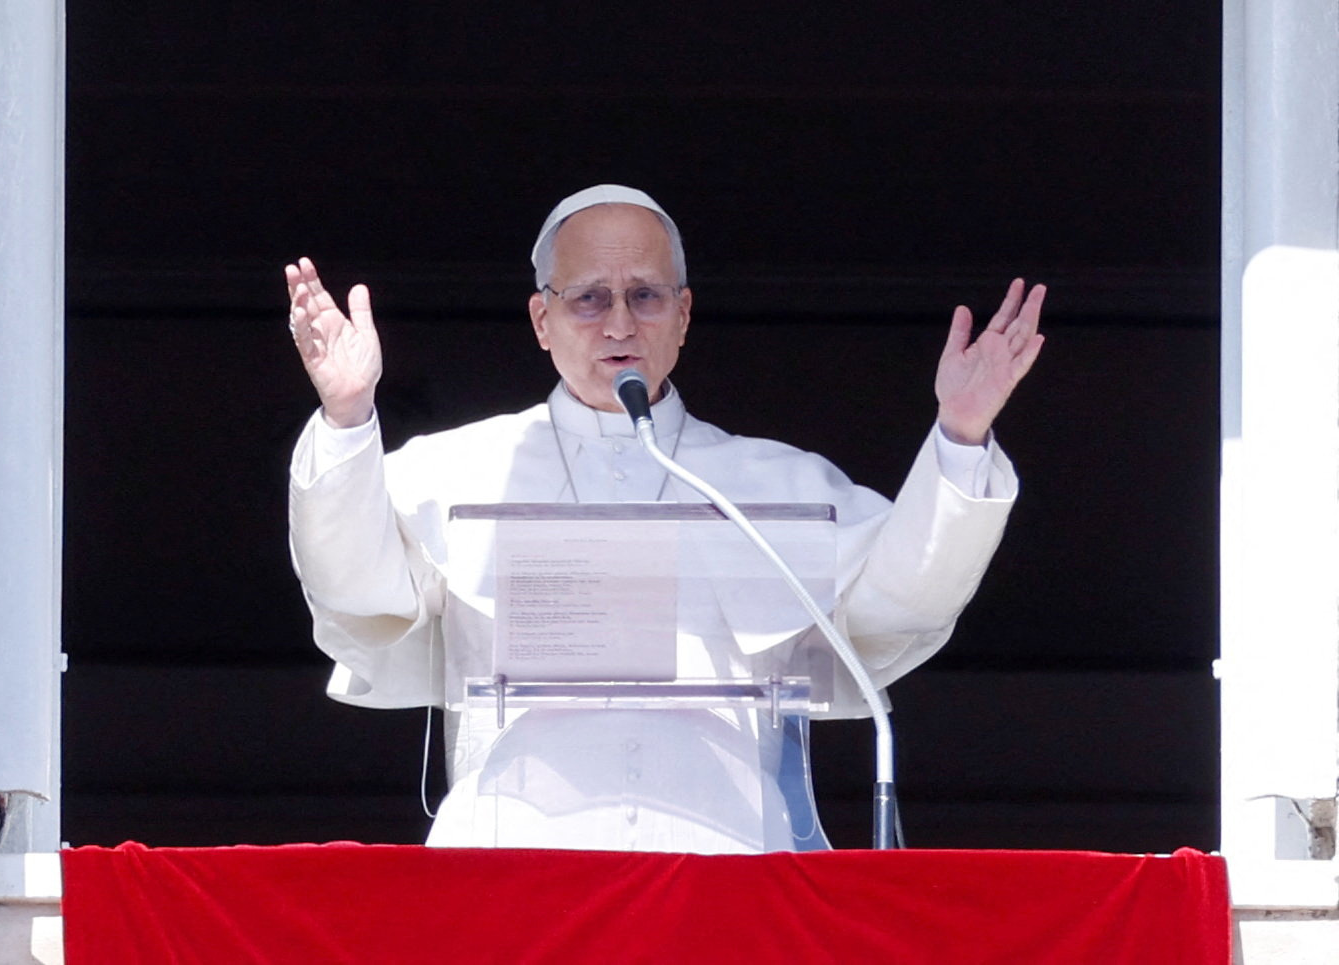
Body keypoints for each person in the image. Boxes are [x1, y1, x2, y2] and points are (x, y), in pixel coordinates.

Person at [285, 185, 1044, 853]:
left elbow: (899, 600)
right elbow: (357, 592)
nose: (619, 323)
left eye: (645, 296)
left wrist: (961, 436)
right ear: (541, 318)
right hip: (509, 875)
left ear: (683, 315)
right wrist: (348, 418)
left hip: (725, 882)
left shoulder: (775, 483)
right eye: (588, 298)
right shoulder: (456, 471)